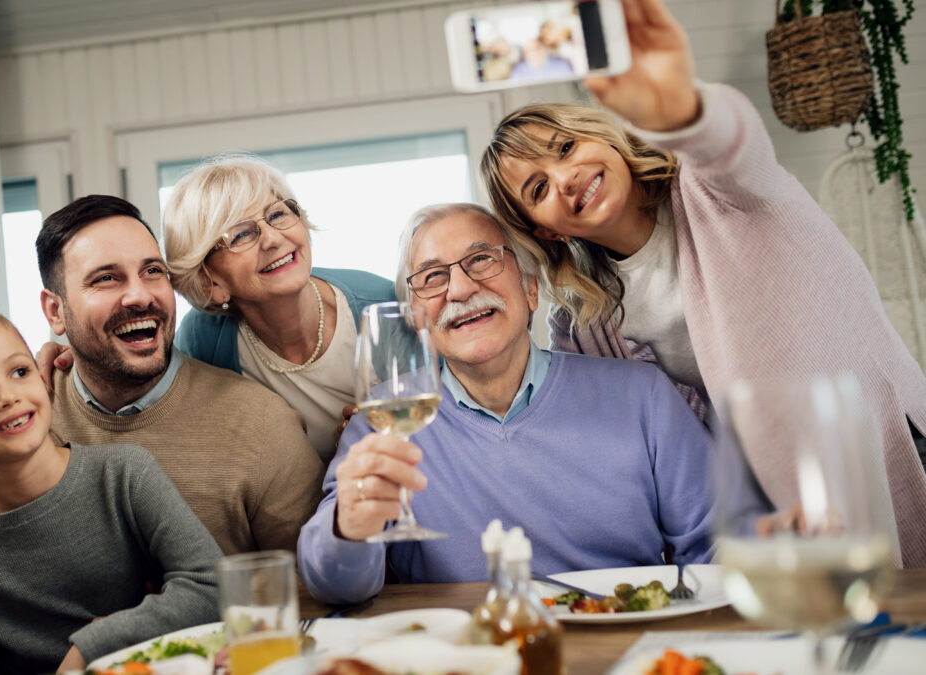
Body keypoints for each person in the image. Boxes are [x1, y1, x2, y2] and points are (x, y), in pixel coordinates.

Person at [478, 0, 926, 567]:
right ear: (543, 229)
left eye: (565, 149)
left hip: (885, 450)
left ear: (603, 137)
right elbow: (591, 416)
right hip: (777, 504)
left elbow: (732, 144)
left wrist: (681, 108)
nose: (565, 179)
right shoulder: (584, 321)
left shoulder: (716, 190)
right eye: (538, 189)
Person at [297, 203, 724, 604]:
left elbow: (722, 546)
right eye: (432, 277)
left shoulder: (642, 396)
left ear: (531, 289)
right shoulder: (383, 418)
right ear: (414, 318)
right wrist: (347, 530)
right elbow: (333, 585)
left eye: (481, 259)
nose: (460, 289)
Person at [0, 305, 221, 673]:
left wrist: (90, 647)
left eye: (20, 371)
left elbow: (212, 585)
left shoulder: (124, 475)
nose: (8, 396)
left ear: (42, 380)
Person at [36, 195, 324, 555]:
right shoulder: (26, 420)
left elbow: (317, 583)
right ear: (54, 311)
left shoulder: (263, 424)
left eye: (152, 271)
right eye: (106, 278)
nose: (139, 296)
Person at [163, 155, 396, 462]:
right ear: (211, 282)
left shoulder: (383, 305)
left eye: (277, 215)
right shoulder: (201, 340)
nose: (273, 238)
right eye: (241, 234)